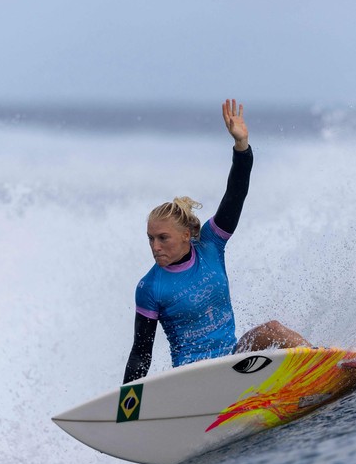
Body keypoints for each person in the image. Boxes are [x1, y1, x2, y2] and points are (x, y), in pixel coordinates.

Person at [123, 99, 308, 383]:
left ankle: (324, 363)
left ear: (186, 235)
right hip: (193, 377)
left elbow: (236, 194)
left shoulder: (209, 245)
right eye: (150, 239)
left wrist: (242, 147)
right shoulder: (150, 287)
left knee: (272, 329)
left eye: (163, 238)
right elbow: (141, 353)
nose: (155, 246)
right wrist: (129, 403)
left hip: (233, 360)